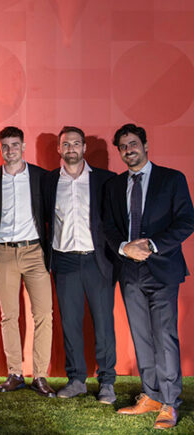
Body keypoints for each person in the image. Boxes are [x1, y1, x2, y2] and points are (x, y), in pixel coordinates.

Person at [103, 124, 194, 430]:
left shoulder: (172, 179)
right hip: (129, 271)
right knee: (141, 335)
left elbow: (186, 221)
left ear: (145, 145)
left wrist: (152, 245)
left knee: (164, 336)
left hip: (163, 268)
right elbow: (108, 226)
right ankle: (151, 395)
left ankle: (170, 401)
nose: (128, 150)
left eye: (133, 144)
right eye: (123, 147)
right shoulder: (115, 186)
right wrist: (124, 247)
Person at [42, 126, 117, 404]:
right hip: (64, 260)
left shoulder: (105, 180)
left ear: (84, 147)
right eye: (66, 144)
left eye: (76, 143)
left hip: (97, 260)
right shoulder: (49, 181)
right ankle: (76, 380)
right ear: (59, 149)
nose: (71, 148)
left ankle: (107, 382)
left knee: (104, 323)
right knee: (70, 323)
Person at [0, 126, 55, 397]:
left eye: (15, 145)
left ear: (23, 147)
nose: (10, 150)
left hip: (35, 251)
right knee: (9, 316)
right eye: (5, 146)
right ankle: (15, 373)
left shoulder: (41, 177)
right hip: (4, 253)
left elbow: (50, 214)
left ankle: (40, 375)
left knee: (44, 314)